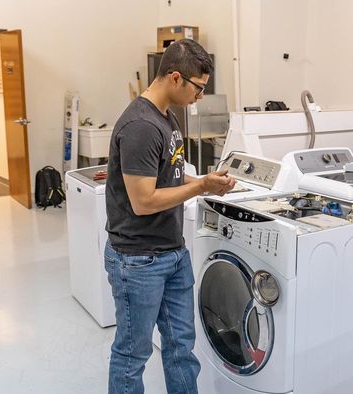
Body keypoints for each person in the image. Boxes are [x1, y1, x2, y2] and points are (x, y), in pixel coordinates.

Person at [104, 39, 235, 394]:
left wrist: (207, 184)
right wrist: (199, 188)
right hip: (138, 260)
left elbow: (172, 175)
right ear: (176, 78)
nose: (200, 97)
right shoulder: (141, 126)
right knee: (133, 354)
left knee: (181, 347)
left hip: (172, 253)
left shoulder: (167, 117)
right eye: (199, 88)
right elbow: (143, 201)